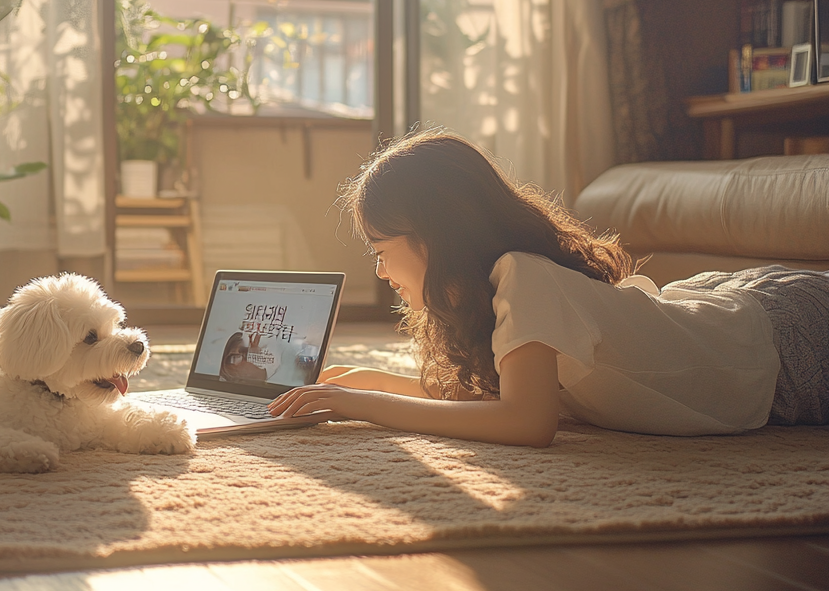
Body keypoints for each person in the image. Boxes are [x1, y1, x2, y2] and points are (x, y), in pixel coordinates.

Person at [268, 130, 829, 445]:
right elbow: (493, 398)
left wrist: (369, 406)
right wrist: (366, 384)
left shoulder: (521, 273)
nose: (382, 272)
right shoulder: (500, 287)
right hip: (727, 307)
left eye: (381, 252)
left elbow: (526, 420)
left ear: (434, 237)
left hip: (782, 339)